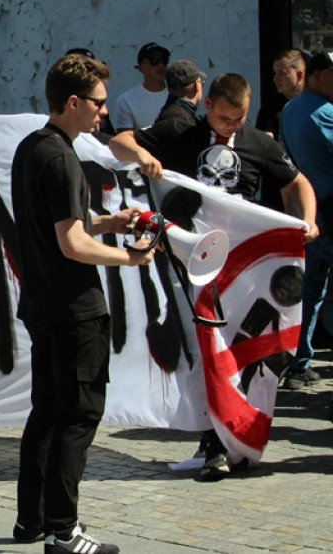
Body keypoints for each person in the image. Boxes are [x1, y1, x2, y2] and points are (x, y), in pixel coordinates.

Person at [108, 72, 319, 480]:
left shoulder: (260, 143)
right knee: (207, 348)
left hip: (247, 268)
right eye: (225, 119)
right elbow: (119, 142)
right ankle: (217, 438)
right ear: (208, 107)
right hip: (194, 266)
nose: (232, 126)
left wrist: (307, 222)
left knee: (240, 350)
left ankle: (226, 440)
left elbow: (299, 183)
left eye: (239, 119)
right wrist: (141, 156)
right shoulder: (181, 133)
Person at [11, 53, 154, 554]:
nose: (103, 113)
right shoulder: (64, 158)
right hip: (75, 309)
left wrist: (108, 223)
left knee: (47, 413)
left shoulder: (32, 148)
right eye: (97, 103)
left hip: (42, 305)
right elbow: (71, 244)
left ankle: (31, 520)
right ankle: (62, 531)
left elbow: (60, 225)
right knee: (78, 417)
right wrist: (129, 257)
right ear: (72, 102)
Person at [278, 50, 333, 389]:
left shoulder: (289, 110)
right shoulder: (324, 112)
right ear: (316, 76)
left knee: (310, 292)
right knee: (311, 291)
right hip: (328, 214)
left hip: (307, 217)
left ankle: (299, 361)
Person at [110, 42, 170, 132]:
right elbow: (125, 140)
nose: (161, 65)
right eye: (154, 60)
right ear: (141, 67)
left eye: (164, 60)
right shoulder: (126, 100)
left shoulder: (178, 95)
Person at [259, 48, 308, 136]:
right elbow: (265, 146)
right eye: (275, 73)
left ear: (300, 74)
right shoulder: (270, 110)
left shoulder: (317, 104)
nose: (275, 79)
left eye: (281, 73)